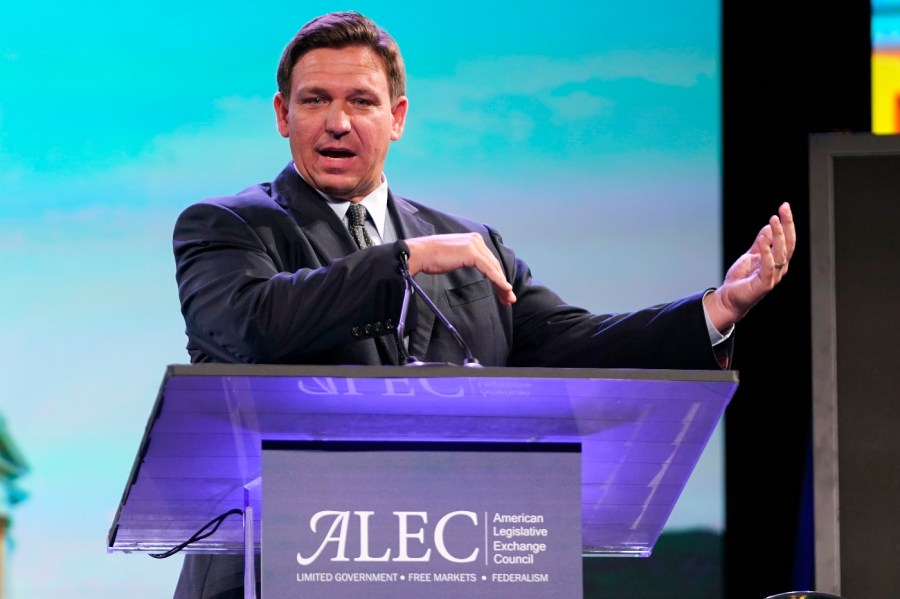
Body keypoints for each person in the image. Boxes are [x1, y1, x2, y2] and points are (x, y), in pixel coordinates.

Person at [171, 11, 795, 598]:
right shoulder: (228, 227)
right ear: (283, 114)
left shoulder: (472, 243)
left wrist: (715, 309)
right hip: (271, 572)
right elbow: (248, 327)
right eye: (316, 100)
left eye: (361, 101)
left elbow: (566, 345)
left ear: (398, 117)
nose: (338, 121)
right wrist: (405, 260)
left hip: (448, 563)